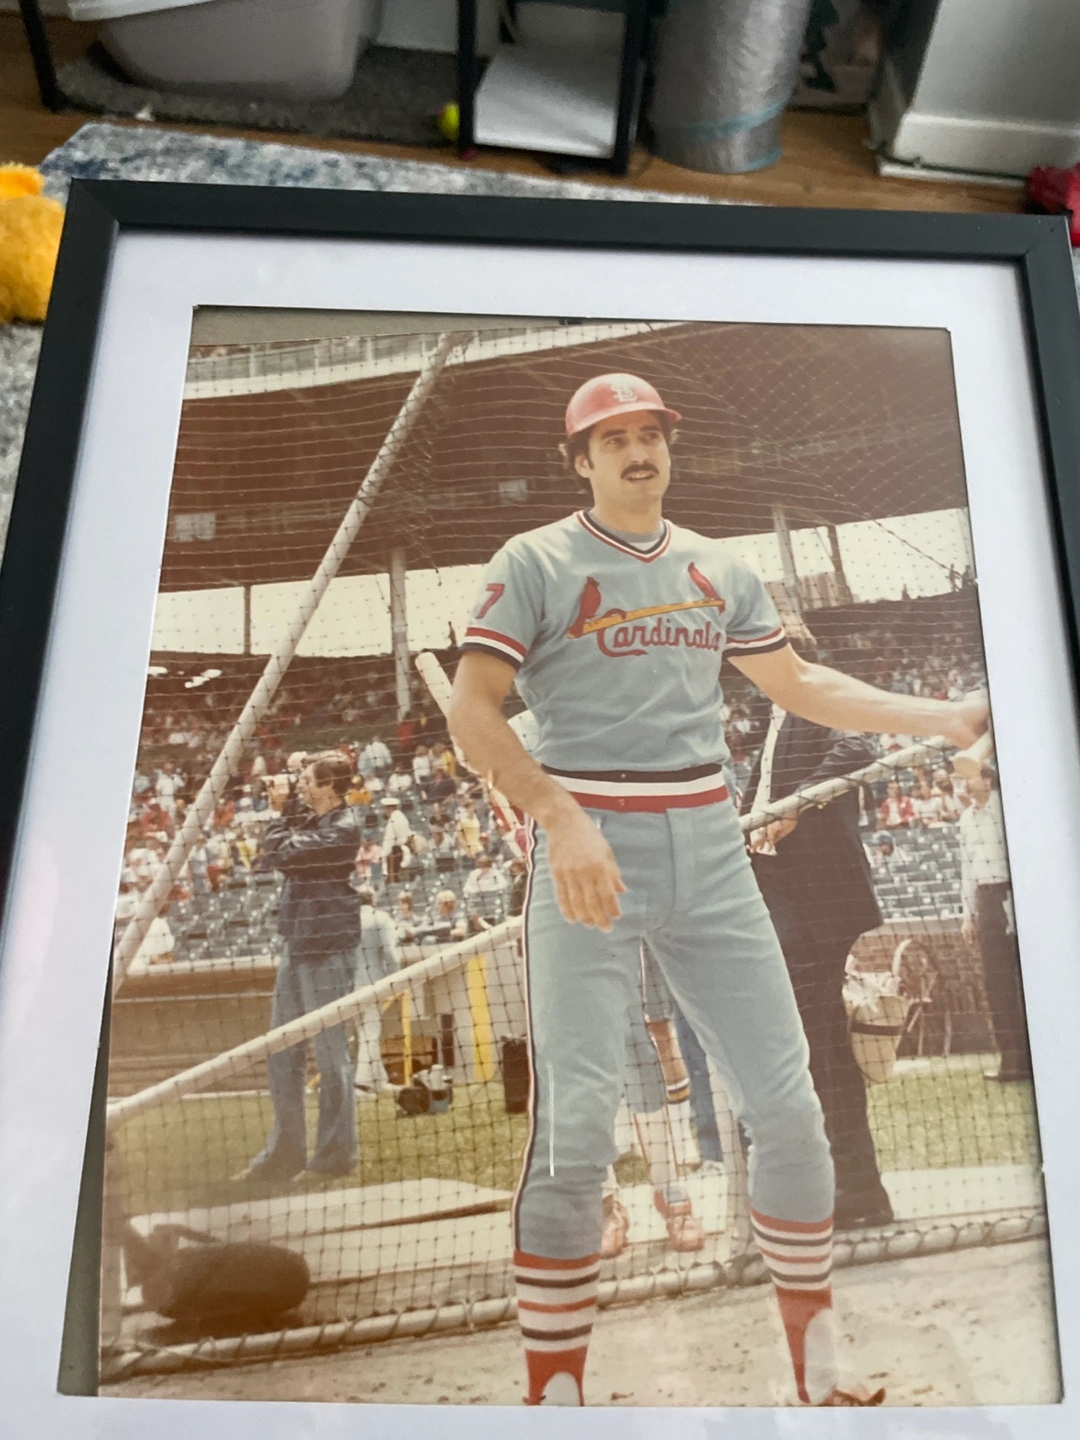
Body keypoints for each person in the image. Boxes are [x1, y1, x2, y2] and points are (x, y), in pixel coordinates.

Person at [447, 371, 986, 1407]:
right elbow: (473, 711)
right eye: (613, 439)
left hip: (709, 844)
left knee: (790, 1111)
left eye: (650, 433)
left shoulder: (717, 566)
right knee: (573, 1136)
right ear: (581, 461)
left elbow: (800, 684)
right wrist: (558, 817)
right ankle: (554, 1405)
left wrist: (940, 718)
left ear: (669, 447)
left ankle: (818, 1379)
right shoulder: (534, 561)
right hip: (590, 848)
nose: (637, 451)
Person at [745, 700, 894, 1229]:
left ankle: (854, 1189)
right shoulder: (774, 720)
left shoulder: (809, 701)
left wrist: (795, 805)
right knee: (816, 1048)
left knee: (820, 1051)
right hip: (780, 901)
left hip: (813, 910)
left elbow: (857, 746)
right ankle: (850, 1188)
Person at [237, 752, 363, 1182]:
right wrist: (287, 802)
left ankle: (334, 1157)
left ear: (328, 786)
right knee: (281, 1052)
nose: (301, 786)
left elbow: (283, 854)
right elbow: (290, 837)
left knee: (330, 1057)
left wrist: (278, 814)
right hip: (298, 941)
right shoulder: (314, 821)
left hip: (327, 945)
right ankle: (284, 1154)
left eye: (308, 780)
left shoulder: (343, 828)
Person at [958, 767, 1032, 1082]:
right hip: (986, 903)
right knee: (997, 984)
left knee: (1026, 980)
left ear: (987, 779)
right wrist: (968, 914)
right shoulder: (966, 819)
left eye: (969, 776)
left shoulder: (1008, 807)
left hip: (1016, 895)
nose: (964, 783)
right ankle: (1011, 1064)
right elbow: (967, 868)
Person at [353, 887, 402, 1095]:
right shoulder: (380, 918)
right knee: (371, 1033)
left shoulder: (346, 920)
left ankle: (379, 1080)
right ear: (372, 899)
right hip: (372, 982)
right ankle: (362, 1083)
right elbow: (390, 952)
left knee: (363, 1031)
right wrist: (396, 978)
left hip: (349, 984)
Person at [462, 853, 509, 929]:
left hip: (492, 902)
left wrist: (491, 889)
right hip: (477, 902)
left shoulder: (495, 873)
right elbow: (466, 887)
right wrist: (476, 890)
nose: (484, 869)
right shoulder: (474, 874)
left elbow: (504, 884)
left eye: (485, 866)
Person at [381, 796, 413, 885]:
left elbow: (390, 840)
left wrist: (384, 854)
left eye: (385, 808)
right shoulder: (399, 817)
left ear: (390, 808)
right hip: (399, 851)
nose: (384, 811)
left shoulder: (395, 819)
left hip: (396, 853)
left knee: (394, 881)